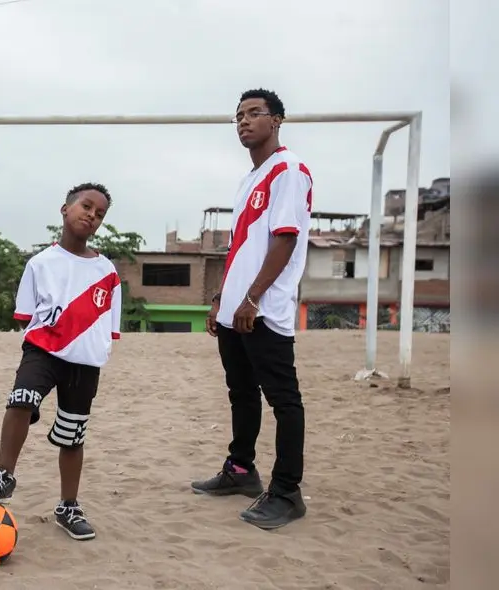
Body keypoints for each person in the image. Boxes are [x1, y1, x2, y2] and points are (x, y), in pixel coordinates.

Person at [0, 182, 122, 541]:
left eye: (99, 214)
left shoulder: (107, 271)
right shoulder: (40, 264)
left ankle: (68, 506)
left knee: (72, 436)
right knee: (21, 399)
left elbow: (108, 328)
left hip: (84, 363)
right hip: (43, 350)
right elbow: (28, 316)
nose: (92, 215)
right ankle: (3, 475)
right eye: (86, 206)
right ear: (65, 209)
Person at [192, 89, 313, 530]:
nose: (244, 121)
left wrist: (253, 298)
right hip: (236, 309)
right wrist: (223, 297)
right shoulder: (250, 178)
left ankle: (287, 492)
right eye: (238, 116)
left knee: (284, 400)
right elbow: (239, 247)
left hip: (265, 309)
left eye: (254, 113)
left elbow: (285, 238)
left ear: (277, 120)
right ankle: (241, 471)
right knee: (240, 394)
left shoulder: (289, 170)